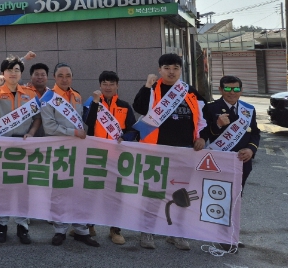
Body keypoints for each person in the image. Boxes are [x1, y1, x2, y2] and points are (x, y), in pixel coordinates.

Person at [132, 53, 207, 251]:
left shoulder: (189, 91)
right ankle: (147, 231)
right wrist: (146, 86)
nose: (171, 72)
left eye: (175, 68)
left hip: (184, 150)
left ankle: (176, 233)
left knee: (180, 194)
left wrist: (202, 137)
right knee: (153, 193)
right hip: (157, 149)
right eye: (167, 68)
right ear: (160, 70)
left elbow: (203, 117)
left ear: (181, 70)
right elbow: (139, 107)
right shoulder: (153, 88)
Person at [40, 63, 100, 247]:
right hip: (58, 150)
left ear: (72, 77)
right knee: (59, 191)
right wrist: (73, 132)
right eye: (60, 75)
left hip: (78, 150)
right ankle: (60, 229)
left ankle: (81, 230)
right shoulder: (48, 97)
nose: (64, 79)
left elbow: (81, 121)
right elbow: (49, 127)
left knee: (79, 190)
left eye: (68, 76)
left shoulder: (77, 96)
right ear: (54, 77)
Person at [0, 57, 40, 244]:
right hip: (2, 145)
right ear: (3, 73)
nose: (13, 73)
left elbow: (37, 118)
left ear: (21, 73)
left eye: (16, 69)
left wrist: (31, 133)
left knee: (23, 188)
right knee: (3, 187)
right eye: (9, 69)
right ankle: (2, 224)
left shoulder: (29, 93)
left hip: (23, 145)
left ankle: (22, 226)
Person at [82, 70, 139, 245]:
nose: (108, 87)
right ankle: (89, 226)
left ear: (117, 86)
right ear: (100, 86)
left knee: (115, 195)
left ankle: (115, 229)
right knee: (91, 192)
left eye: (111, 84)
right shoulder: (92, 103)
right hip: (95, 155)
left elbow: (133, 129)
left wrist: (125, 138)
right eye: (104, 84)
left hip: (117, 157)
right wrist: (95, 103)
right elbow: (88, 122)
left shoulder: (124, 106)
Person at [203, 76, 260, 190]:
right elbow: (203, 134)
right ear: (220, 89)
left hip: (241, 160)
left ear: (241, 90)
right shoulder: (210, 108)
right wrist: (217, 125)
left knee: (237, 193)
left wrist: (251, 149)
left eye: (236, 89)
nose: (232, 92)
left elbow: (255, 133)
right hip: (218, 159)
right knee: (217, 192)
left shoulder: (248, 109)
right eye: (228, 89)